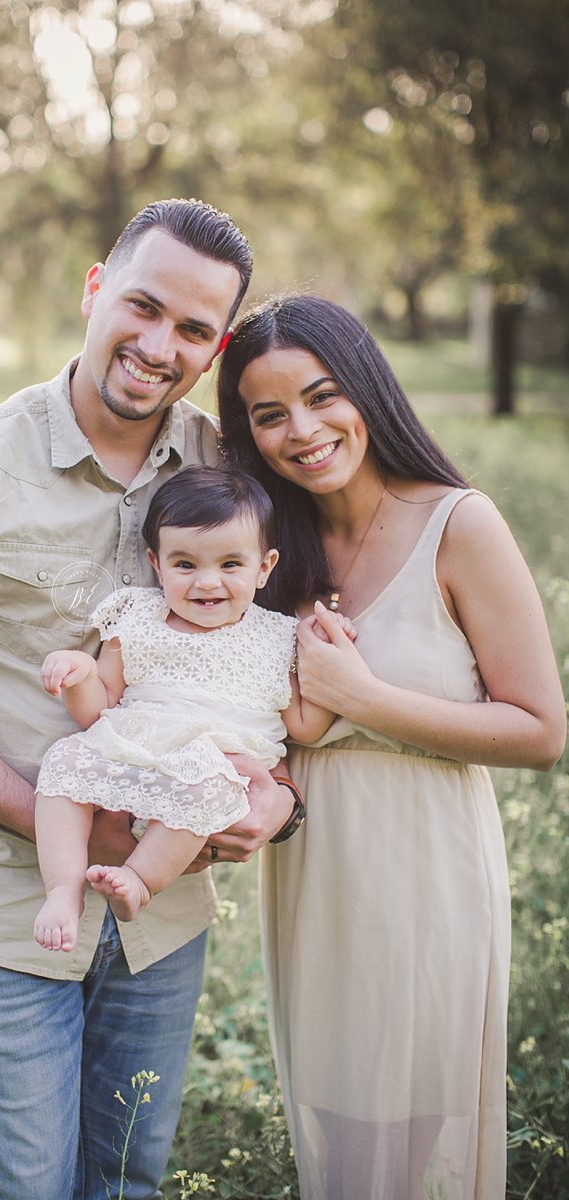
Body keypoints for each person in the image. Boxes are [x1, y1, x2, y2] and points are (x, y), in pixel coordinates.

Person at [0, 200, 305, 1200]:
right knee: (23, 1186)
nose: (157, 346)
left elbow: (277, 667)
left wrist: (277, 800)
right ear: (95, 288)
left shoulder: (228, 472)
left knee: (129, 1179)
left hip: (164, 920)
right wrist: (77, 834)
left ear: (214, 344)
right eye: (141, 306)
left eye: (192, 330)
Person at [217, 293, 566, 1200]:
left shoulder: (459, 525)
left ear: (368, 387)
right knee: (337, 1140)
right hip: (315, 879)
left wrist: (366, 699)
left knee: (415, 1146)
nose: (303, 429)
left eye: (323, 395)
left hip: (425, 876)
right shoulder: (266, 555)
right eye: (269, 414)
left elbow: (540, 732)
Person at [34, 465, 356, 952]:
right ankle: (62, 888)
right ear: (156, 563)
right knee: (63, 762)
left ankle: (140, 882)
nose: (208, 583)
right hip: (132, 755)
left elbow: (306, 727)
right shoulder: (138, 616)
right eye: (185, 565)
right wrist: (78, 671)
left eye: (230, 565)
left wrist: (337, 662)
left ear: (264, 567)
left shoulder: (278, 636)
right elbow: (97, 706)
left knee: (210, 785)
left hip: (213, 773)